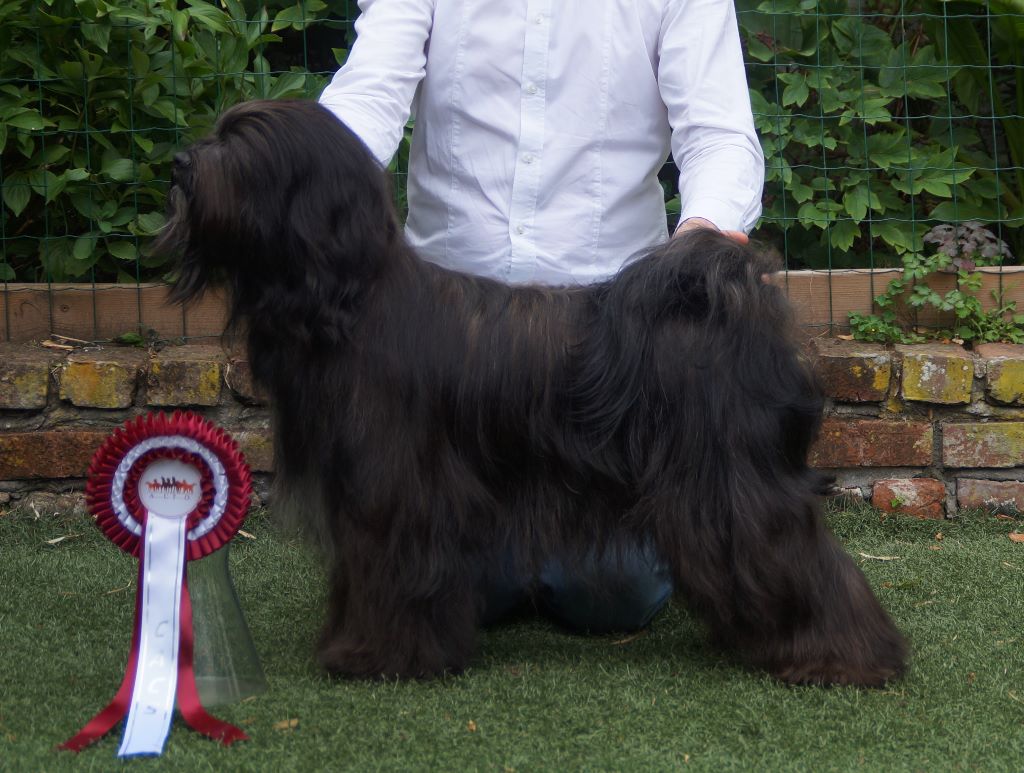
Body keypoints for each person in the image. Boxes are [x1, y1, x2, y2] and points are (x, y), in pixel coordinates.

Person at [318, 0, 765, 632]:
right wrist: (311, 176)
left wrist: (703, 231)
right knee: (438, 582)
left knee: (611, 594)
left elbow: (719, 134)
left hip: (606, 344)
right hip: (451, 345)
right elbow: (370, 92)